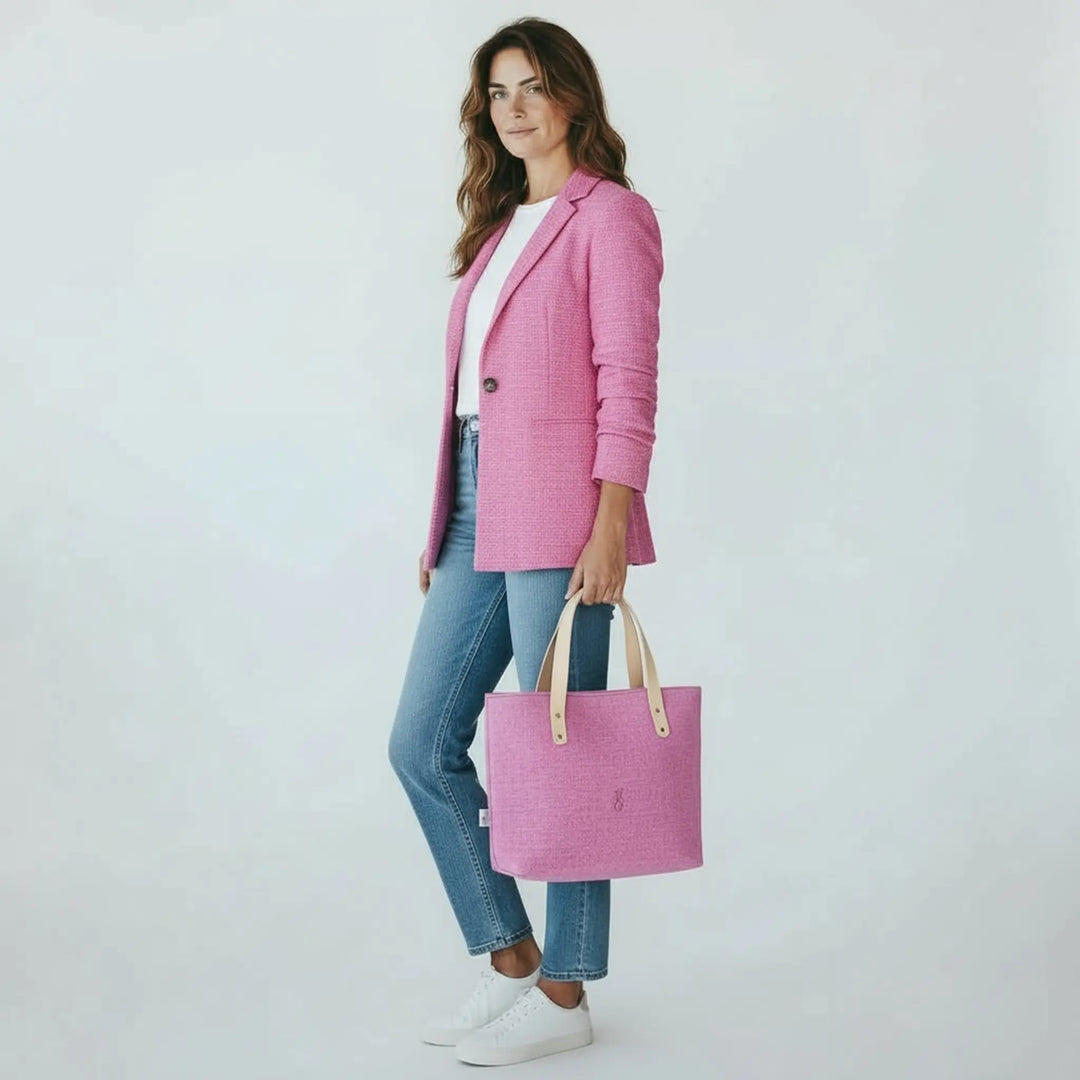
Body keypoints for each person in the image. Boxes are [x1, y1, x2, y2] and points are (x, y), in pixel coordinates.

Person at [387, 16, 663, 1068]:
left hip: (562, 514)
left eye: (534, 85)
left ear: (574, 98)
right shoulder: (500, 228)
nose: (514, 104)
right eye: (498, 89)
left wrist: (609, 521)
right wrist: (441, 526)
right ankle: (510, 958)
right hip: (471, 503)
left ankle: (567, 990)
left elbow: (627, 383)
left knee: (564, 753)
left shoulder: (613, 218)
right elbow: (472, 396)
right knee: (422, 743)